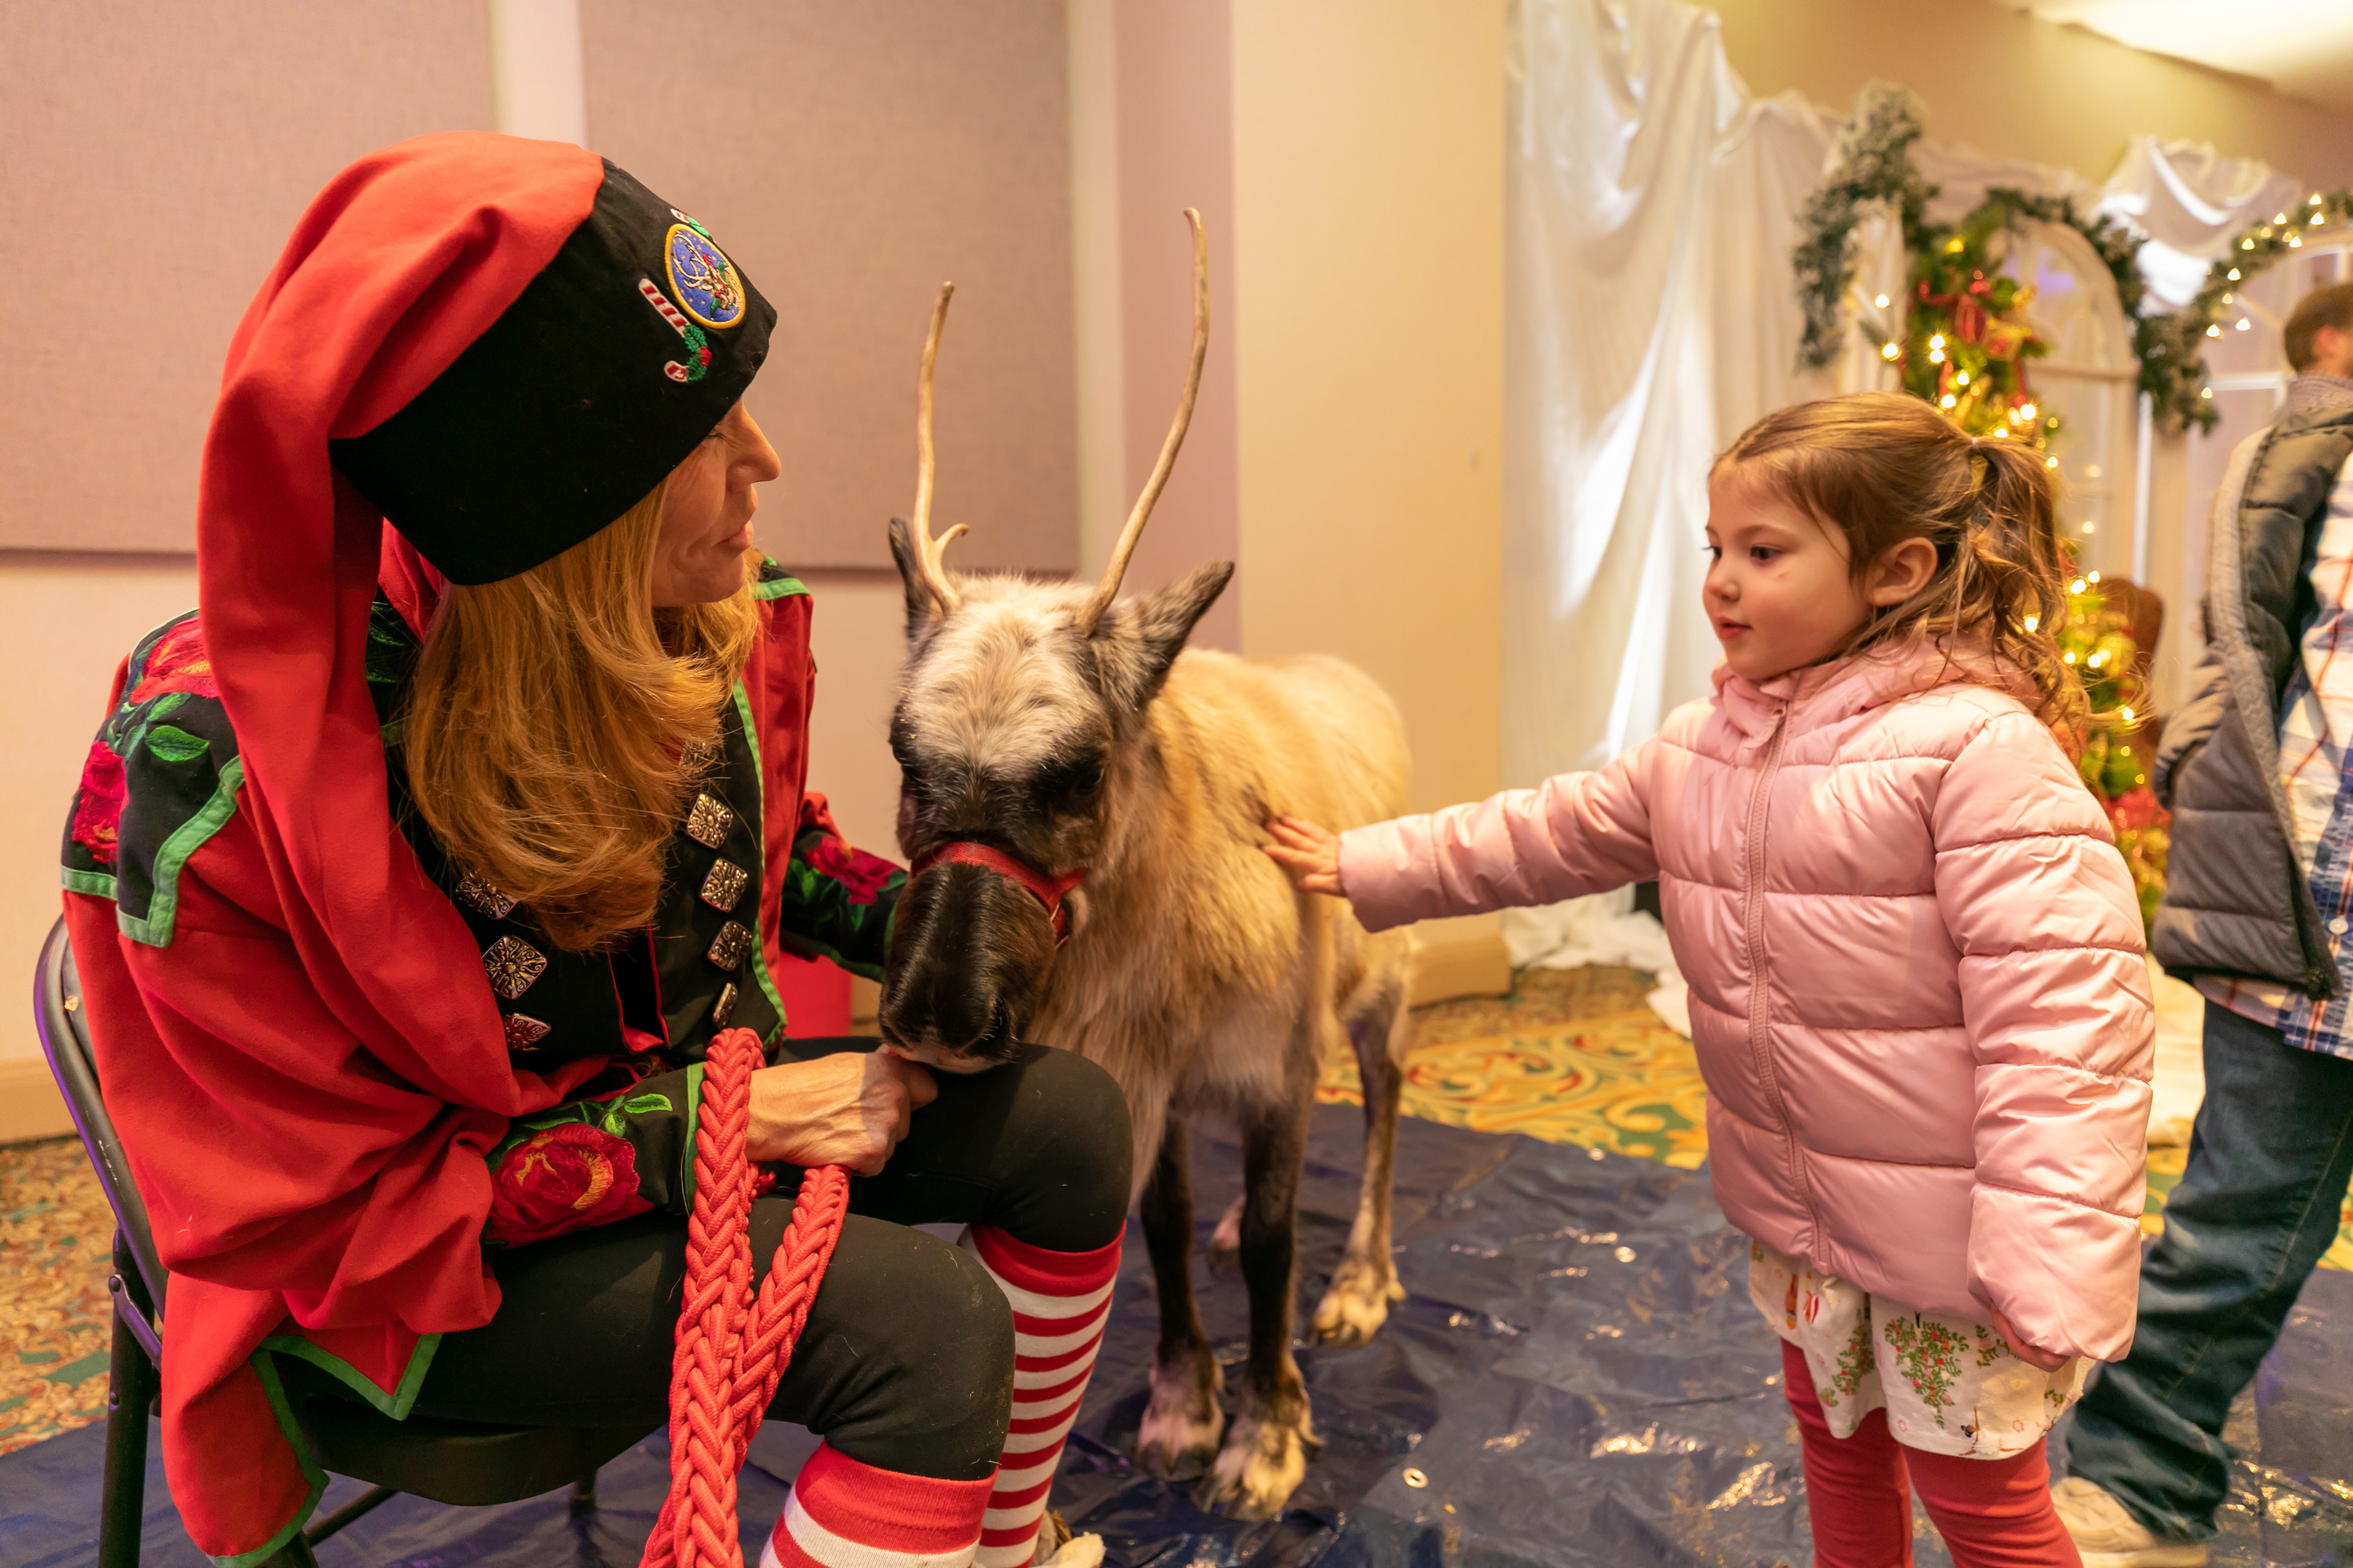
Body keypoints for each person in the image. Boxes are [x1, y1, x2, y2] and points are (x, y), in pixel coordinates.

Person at [58, 134, 1129, 1568]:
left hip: (674, 1119)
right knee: (924, 1334)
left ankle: (990, 1545)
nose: (768, 464)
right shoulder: (215, 775)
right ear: (547, 503)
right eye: (697, 440)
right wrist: (723, 1129)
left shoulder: (691, 622)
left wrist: (972, 906)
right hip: (416, 1280)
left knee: (1071, 1131)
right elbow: (337, 1226)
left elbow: (760, 868)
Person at [1265, 391, 2154, 1568]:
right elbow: (1545, 832)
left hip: (1960, 1256)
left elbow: (2070, 1027)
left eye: (1765, 551)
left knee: (1982, 1503)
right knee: (1836, 1445)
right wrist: (1367, 857)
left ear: (1897, 569)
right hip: (1809, 1220)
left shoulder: (1979, 754)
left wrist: (2044, 1255)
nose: (1721, 581)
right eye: (1716, 549)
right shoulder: (1705, 742)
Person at [2053, 282, 2353, 1568]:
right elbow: (2261, 640)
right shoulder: (2311, 457)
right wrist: (2202, 752)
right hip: (2305, 909)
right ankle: (2137, 1480)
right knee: (2231, 1215)